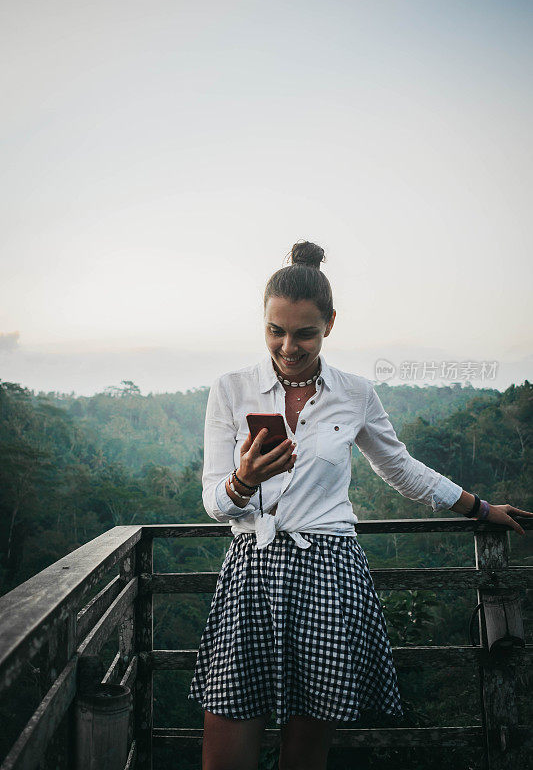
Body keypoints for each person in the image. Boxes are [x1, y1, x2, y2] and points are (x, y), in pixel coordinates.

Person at [188, 240, 531, 770]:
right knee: (226, 747)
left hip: (329, 571)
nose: (288, 346)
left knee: (305, 752)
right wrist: (242, 480)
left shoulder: (354, 392)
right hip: (252, 573)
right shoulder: (232, 389)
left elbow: (402, 469)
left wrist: (480, 509)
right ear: (263, 323)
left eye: (305, 332)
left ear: (330, 324)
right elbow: (214, 502)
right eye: (275, 330)